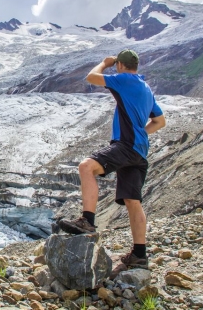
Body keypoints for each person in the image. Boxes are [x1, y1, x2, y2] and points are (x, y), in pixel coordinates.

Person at [58, 49, 166, 269]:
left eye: (117, 65)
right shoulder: (146, 89)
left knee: (86, 167)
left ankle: (87, 220)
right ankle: (139, 254)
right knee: (133, 202)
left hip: (125, 145)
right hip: (139, 152)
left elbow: (91, 78)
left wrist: (104, 63)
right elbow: (160, 121)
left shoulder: (124, 79)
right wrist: (141, 133)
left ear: (120, 66)